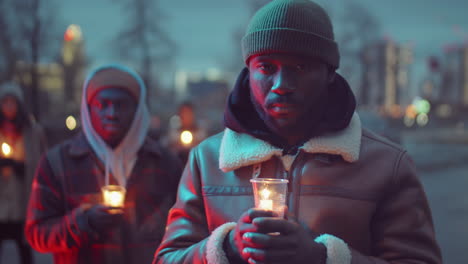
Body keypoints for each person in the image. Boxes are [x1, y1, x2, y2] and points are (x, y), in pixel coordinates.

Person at [154, 1, 442, 263]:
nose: (281, 83)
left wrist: (323, 258)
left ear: (330, 73)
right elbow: (167, 258)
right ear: (248, 70)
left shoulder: (385, 165)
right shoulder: (207, 161)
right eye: (266, 66)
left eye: (300, 66)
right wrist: (226, 246)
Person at [25, 64, 182, 264]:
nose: (111, 114)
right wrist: (83, 222)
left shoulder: (166, 164)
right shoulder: (57, 164)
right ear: (88, 108)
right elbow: (36, 233)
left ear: (138, 110)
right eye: (102, 104)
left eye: (122, 105)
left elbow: (187, 229)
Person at [0, 82, 46, 264]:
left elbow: (42, 162)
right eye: (5, 102)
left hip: (23, 202)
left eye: (13, 102)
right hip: (2, 204)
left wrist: (23, 167)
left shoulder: (33, 132)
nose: (9, 107)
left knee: (25, 251)